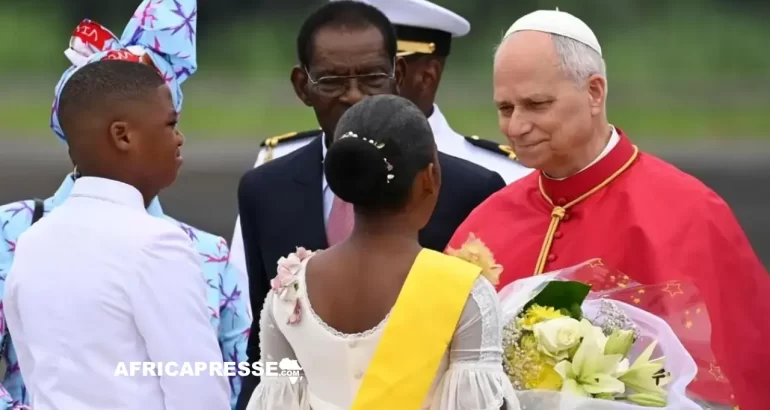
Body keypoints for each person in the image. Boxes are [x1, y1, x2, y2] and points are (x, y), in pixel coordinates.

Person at [446, 9, 770, 410]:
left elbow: (731, 380)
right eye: (506, 108)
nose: (516, 127)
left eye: (536, 104)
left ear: (594, 93)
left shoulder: (689, 213)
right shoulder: (484, 223)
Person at [234, 2, 505, 408]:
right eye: (332, 80)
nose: (354, 95)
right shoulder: (264, 190)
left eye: (373, 77)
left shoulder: (471, 187)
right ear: (302, 85)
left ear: (399, 74)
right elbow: (268, 355)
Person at [0, 4, 247, 409]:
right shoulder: (162, 244)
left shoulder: (31, 240)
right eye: (170, 124)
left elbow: (35, 373)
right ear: (122, 135)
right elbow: (201, 395)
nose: (180, 138)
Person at [350, 0, 533, 184]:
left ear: (427, 75)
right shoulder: (333, 160)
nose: (352, 91)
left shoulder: (501, 178)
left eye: (374, 73)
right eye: (340, 74)